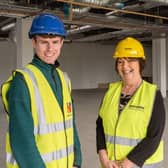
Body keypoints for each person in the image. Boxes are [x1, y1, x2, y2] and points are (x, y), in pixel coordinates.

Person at [1, 13, 82, 168]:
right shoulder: (23, 81)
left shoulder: (64, 79)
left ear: (62, 43)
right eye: (44, 42)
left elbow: (71, 125)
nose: (50, 48)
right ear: (34, 42)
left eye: (55, 42)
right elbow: (22, 142)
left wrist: (76, 161)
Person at [96, 37, 165, 168]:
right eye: (120, 62)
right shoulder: (111, 91)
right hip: (111, 164)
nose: (125, 66)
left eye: (131, 60)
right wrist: (103, 157)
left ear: (141, 63)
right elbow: (100, 125)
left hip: (142, 165)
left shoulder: (153, 94)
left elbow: (154, 136)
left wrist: (131, 161)